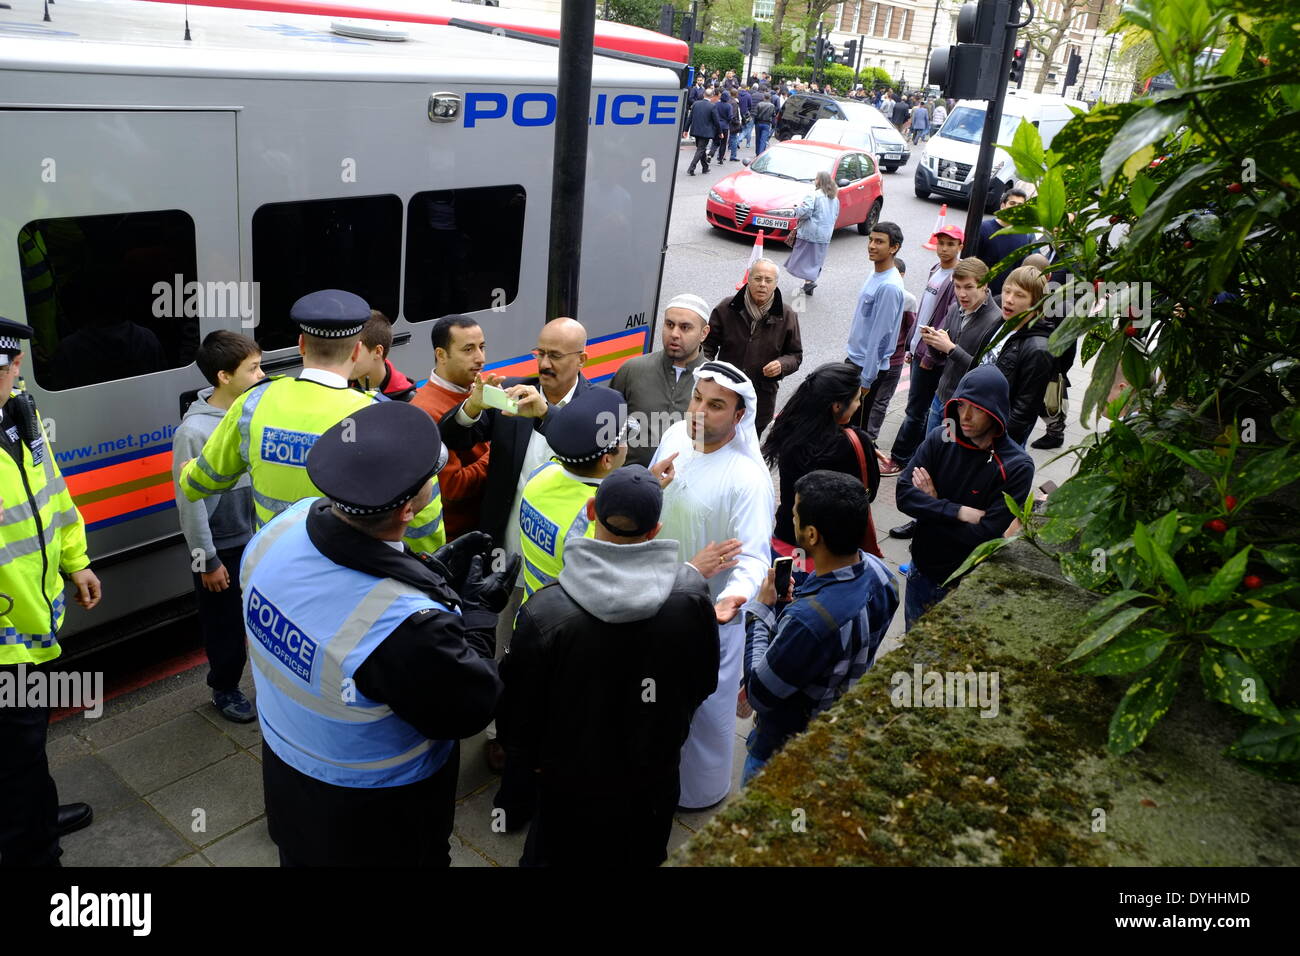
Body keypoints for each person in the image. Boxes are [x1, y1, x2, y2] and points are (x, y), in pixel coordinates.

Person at [245, 402, 518, 866]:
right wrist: (474, 616)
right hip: (379, 816)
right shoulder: (405, 627)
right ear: (410, 508)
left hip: (291, 784)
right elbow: (469, 706)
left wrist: (422, 571)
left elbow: (338, 577)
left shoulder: (282, 528)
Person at [500, 466, 720, 866]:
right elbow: (703, 683)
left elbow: (519, 720)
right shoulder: (690, 596)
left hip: (569, 790)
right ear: (655, 531)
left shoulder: (546, 612)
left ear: (589, 510)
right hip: (651, 783)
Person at [180, 289, 447, 553]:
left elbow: (201, 482)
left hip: (272, 566)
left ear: (301, 345)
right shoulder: (385, 420)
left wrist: (188, 472)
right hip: (347, 574)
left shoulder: (253, 403)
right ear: (356, 351)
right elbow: (423, 521)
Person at [0, 316, 102, 866]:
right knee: (17, 752)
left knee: (25, 748)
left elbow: (52, 493)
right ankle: (34, 849)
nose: (6, 378)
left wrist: (75, 561)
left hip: (33, 620)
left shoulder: (19, 409)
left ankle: (32, 810)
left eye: (7, 367)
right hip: (3, 645)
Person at [651, 361, 774, 810]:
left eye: (716, 405)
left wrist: (729, 602)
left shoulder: (747, 480)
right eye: (697, 399)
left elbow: (755, 558)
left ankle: (697, 792)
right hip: (655, 597)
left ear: (740, 416)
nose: (700, 411)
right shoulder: (673, 438)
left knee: (703, 717)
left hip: (710, 619)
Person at [740, 470, 898, 782]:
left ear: (811, 535)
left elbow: (759, 693)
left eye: (794, 513)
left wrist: (762, 611)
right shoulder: (882, 574)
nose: (786, 515)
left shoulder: (808, 623)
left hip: (782, 749)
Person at [895, 365, 1033, 630]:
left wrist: (931, 506)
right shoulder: (940, 438)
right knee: (912, 653)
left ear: (996, 412)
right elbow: (904, 495)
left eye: (978, 409)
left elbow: (985, 537)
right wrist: (958, 511)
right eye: (961, 406)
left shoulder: (1016, 466)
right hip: (920, 572)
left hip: (962, 585)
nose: (966, 416)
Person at [172, 331, 264, 723]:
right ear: (224, 376)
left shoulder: (253, 413)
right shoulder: (192, 433)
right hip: (220, 551)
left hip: (258, 538)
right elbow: (189, 505)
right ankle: (224, 687)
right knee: (223, 627)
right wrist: (206, 561)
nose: (262, 375)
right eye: (254, 368)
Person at [762, 362, 881, 556]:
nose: (859, 405)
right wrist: (863, 447)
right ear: (836, 406)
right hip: (830, 549)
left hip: (788, 538)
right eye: (857, 399)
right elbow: (867, 494)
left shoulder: (787, 427)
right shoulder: (852, 444)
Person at [878, 224, 962, 479]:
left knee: (915, 410)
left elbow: (947, 321)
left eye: (950, 244)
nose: (944, 249)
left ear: (960, 247)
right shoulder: (937, 269)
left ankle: (900, 458)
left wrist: (929, 355)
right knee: (921, 408)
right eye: (941, 243)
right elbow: (926, 311)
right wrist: (911, 345)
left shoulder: (954, 278)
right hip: (919, 348)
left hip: (932, 356)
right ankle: (917, 454)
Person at [410, 314, 491, 539]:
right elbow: (453, 488)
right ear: (441, 355)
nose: (480, 358)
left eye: (482, 347)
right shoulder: (426, 411)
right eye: (468, 350)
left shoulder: (476, 391)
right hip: (459, 542)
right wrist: (502, 452)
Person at [703, 258, 803, 436]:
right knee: (717, 438)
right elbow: (707, 345)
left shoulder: (787, 315)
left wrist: (782, 365)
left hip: (761, 397)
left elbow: (795, 355)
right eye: (758, 278)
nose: (762, 284)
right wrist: (706, 374)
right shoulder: (727, 308)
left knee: (748, 445)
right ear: (748, 279)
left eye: (768, 280)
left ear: (776, 284)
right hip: (725, 390)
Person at [611, 293, 709, 467]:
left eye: (685, 327)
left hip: (683, 488)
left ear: (703, 333)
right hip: (628, 483)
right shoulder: (632, 370)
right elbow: (609, 426)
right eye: (669, 325)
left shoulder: (714, 382)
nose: (675, 334)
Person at [918, 257, 1002, 438]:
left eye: (969, 287)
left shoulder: (996, 321)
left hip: (965, 407)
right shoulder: (955, 309)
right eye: (957, 287)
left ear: (985, 285)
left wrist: (951, 348)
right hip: (940, 397)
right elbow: (941, 358)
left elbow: (985, 370)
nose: (962, 294)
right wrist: (933, 343)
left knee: (947, 458)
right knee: (930, 451)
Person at [845, 221, 906, 430]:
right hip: (855, 361)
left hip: (865, 369)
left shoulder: (889, 286)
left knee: (853, 427)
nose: (872, 245)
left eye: (879, 242)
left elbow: (881, 338)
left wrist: (866, 380)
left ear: (894, 247)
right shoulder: (875, 273)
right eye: (871, 240)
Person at [988, 265, 1056, 447]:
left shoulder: (1039, 350)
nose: (1008, 300)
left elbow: (1022, 413)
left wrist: (990, 441)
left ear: (1037, 302)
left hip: (994, 440)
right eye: (1007, 291)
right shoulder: (1002, 322)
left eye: (1019, 295)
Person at [861, 256, 917, 441]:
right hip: (880, 358)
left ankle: (867, 437)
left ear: (902, 275)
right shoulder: (880, 291)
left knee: (874, 399)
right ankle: (868, 437)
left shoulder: (906, 299)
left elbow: (911, 329)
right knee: (878, 401)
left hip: (892, 360)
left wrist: (909, 351)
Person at [785, 171, 840, 296]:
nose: (814, 181)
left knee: (801, 258)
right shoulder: (835, 199)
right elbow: (835, 215)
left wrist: (796, 211)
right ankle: (809, 282)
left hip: (810, 232)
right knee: (815, 260)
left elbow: (806, 211)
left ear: (820, 181)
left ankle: (809, 282)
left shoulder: (814, 195)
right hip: (825, 235)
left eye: (816, 179)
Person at [977, 187, 1035, 296]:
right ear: (1003, 206)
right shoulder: (984, 229)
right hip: (981, 293)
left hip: (1006, 298)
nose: (1015, 209)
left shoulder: (1024, 235)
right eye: (1012, 203)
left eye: (1020, 206)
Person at [349, 311, 416, 401]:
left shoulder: (408, 400)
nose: (345, 357)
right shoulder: (339, 385)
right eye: (344, 348)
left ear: (377, 351)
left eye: (355, 350)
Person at [710, 90, 734, 166]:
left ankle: (711, 154)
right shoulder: (729, 106)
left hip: (716, 125)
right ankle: (720, 159)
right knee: (723, 143)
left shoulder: (716, 104)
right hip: (725, 126)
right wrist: (728, 122)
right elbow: (730, 117)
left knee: (715, 141)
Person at [731, 85, 752, 159]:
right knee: (746, 129)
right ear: (746, 88)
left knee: (737, 129)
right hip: (745, 113)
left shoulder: (737, 94)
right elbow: (750, 105)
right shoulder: (748, 95)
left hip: (737, 112)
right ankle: (739, 141)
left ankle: (734, 143)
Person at [751, 92, 776, 156]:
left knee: (758, 139)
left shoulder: (759, 104)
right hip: (767, 124)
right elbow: (773, 115)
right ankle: (760, 154)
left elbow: (755, 114)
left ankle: (757, 153)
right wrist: (773, 125)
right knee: (763, 140)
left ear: (763, 97)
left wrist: (755, 122)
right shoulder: (772, 106)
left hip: (758, 123)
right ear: (770, 98)